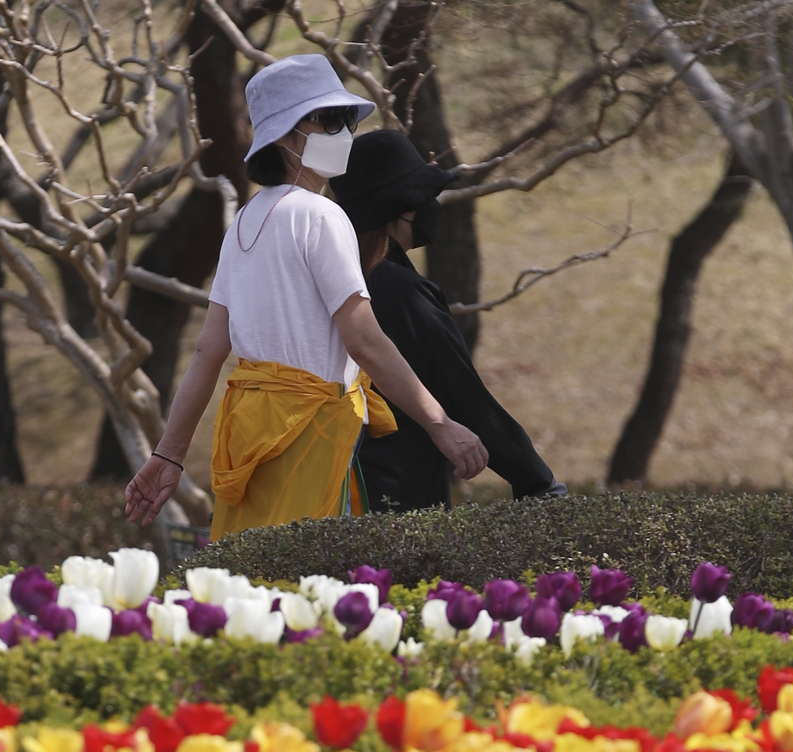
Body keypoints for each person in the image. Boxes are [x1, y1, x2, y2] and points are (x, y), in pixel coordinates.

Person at [124, 54, 487, 534]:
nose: (345, 133)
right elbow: (363, 339)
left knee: (249, 583)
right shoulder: (321, 216)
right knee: (303, 591)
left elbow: (208, 350)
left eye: (347, 120)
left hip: (249, 433)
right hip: (308, 433)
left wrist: (168, 454)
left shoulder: (244, 221)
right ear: (285, 136)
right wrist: (440, 423)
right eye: (330, 120)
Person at [330, 130, 565, 511]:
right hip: (394, 496)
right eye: (423, 196)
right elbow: (463, 394)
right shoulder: (399, 291)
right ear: (397, 207)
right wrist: (538, 483)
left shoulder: (335, 280)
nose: (431, 206)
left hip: (330, 483)